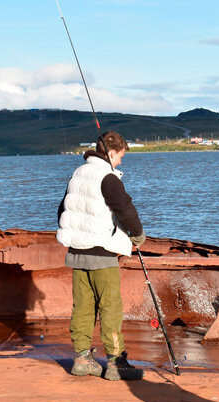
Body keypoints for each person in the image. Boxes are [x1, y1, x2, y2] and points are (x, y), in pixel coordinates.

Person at [56, 130, 146, 381]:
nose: (121, 162)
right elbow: (126, 209)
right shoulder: (108, 177)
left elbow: (62, 209)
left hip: (76, 252)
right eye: (120, 157)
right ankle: (116, 363)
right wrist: (138, 235)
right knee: (110, 307)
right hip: (102, 253)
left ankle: (82, 359)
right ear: (112, 152)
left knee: (83, 307)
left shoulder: (78, 173)